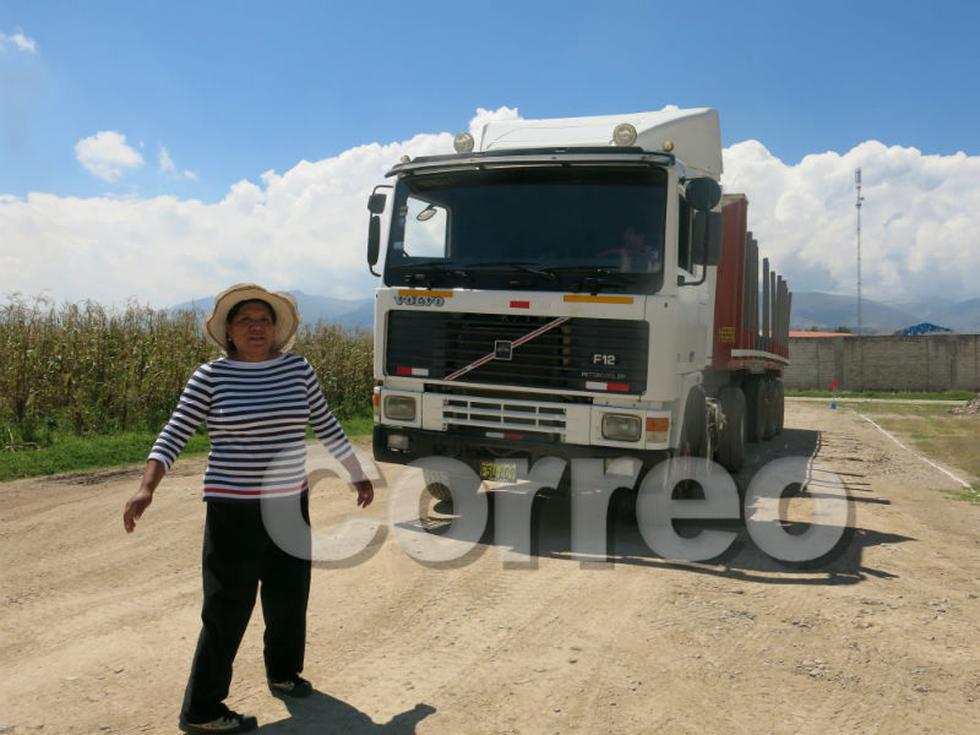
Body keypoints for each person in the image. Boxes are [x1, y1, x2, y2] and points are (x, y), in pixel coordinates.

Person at [122, 283, 374, 734]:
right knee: (226, 606)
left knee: (289, 595)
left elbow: (326, 423)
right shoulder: (210, 377)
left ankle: (283, 672)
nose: (256, 327)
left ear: (276, 330)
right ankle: (201, 710)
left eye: (264, 319)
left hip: (288, 504)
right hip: (232, 507)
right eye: (246, 320)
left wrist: (355, 470)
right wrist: (146, 488)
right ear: (230, 333)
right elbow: (174, 432)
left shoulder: (298, 370)